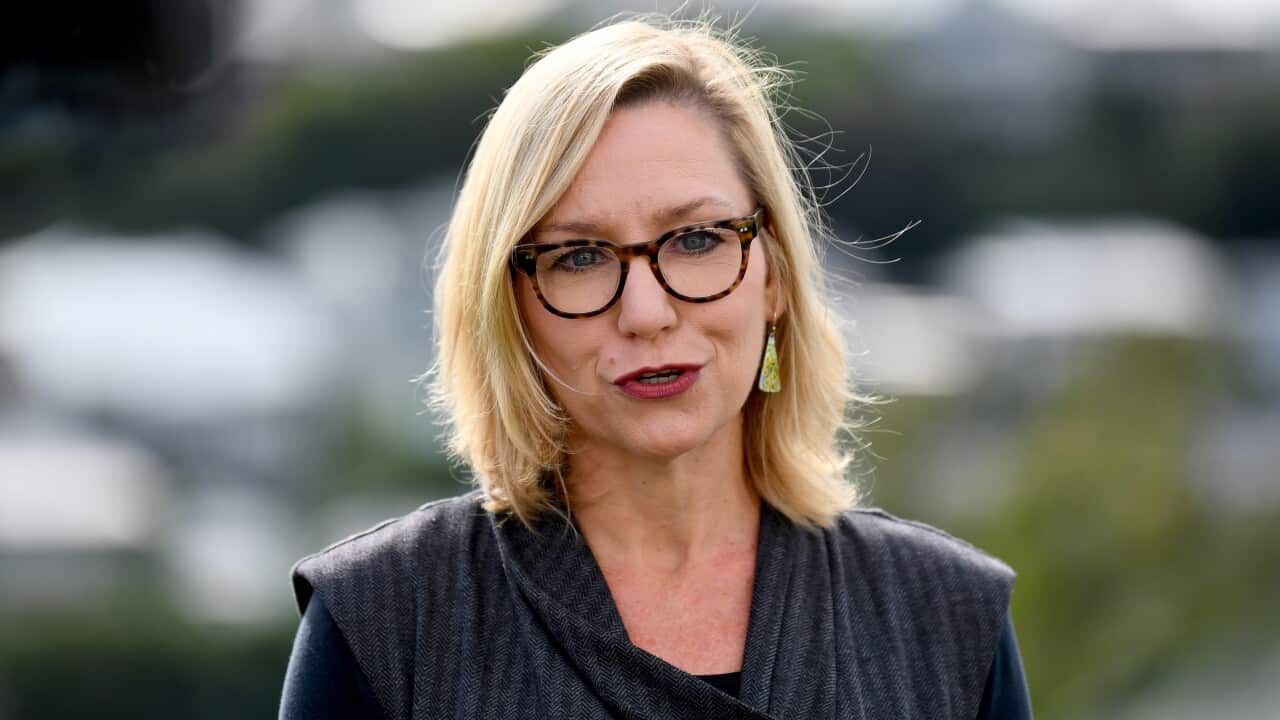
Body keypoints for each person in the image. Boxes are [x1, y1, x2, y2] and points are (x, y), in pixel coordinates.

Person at [279, 15, 1031, 720]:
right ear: (508, 308)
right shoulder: (384, 621)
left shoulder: (948, 618)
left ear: (773, 276)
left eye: (697, 239)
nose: (646, 312)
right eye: (578, 256)